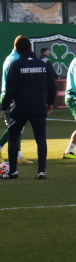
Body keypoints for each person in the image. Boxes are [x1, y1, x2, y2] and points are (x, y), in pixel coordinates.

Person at [1, 36, 56, 180]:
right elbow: (53, 86)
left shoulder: (16, 64)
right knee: (41, 139)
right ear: (31, 48)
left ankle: (13, 172)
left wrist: (4, 107)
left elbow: (10, 89)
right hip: (39, 107)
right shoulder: (43, 65)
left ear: (17, 49)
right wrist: (49, 102)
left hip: (20, 108)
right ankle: (41, 171)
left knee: (13, 137)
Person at [0, 36, 32, 165]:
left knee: (18, 127)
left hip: (11, 95)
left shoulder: (12, 57)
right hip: (11, 96)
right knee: (14, 127)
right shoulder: (15, 60)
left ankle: (18, 155)